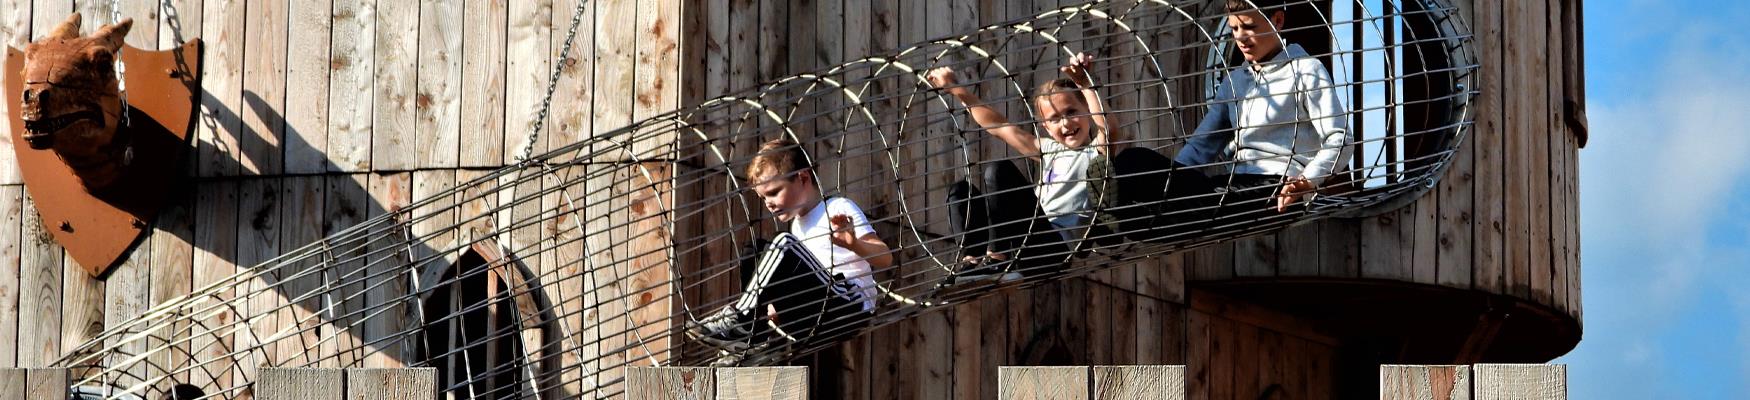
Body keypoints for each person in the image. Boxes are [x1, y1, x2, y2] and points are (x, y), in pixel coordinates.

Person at [1111, 0, 1352, 240]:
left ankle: (1125, 221)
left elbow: (1340, 138)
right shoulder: (1235, 81)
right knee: (1132, 161)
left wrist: (1308, 180)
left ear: (1278, 20)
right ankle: (1111, 220)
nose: (1241, 38)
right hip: (1233, 185)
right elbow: (1201, 146)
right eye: (1234, 29)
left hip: (1276, 187)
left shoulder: (1306, 70)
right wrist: (1174, 183)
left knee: (1187, 208)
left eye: (1249, 27)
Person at [926, 53, 1126, 283]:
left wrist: (1085, 84)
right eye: (1054, 119)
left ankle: (997, 259)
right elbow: (999, 125)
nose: (1066, 123)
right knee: (961, 192)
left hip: (1052, 249)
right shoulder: (1048, 150)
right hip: (1021, 241)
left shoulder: (1097, 153)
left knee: (998, 171)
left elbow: (1109, 129)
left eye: (1072, 112)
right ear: (1046, 128)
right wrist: (955, 88)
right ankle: (972, 263)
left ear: (1087, 111)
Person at [688, 139, 893, 364]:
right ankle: (753, 340)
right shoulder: (798, 225)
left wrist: (853, 243)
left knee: (782, 244)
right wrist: (771, 307)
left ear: (803, 178)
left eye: (774, 192)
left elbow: (885, 257)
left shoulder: (836, 208)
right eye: (763, 197)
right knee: (755, 251)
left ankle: (742, 321)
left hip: (848, 308)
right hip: (812, 316)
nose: (769, 203)